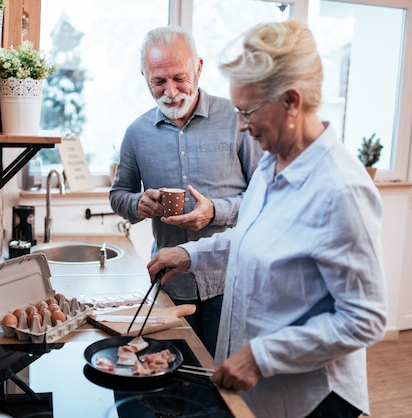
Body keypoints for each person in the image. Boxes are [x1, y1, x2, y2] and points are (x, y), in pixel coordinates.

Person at [146, 19, 388, 418]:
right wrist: (190, 255)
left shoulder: (341, 190)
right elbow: (251, 237)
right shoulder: (271, 164)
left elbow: (365, 319)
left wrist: (263, 356)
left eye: (248, 111)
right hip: (260, 393)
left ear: (292, 101)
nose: (241, 124)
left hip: (312, 400)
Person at [109, 26, 262, 356]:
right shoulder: (136, 133)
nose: (171, 91)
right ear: (144, 76)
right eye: (158, 82)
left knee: (225, 386)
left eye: (179, 78)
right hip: (170, 285)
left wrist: (215, 211)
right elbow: (118, 195)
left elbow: (266, 198)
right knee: (175, 383)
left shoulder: (238, 120)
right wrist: (139, 203)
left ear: (199, 68)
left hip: (230, 282)